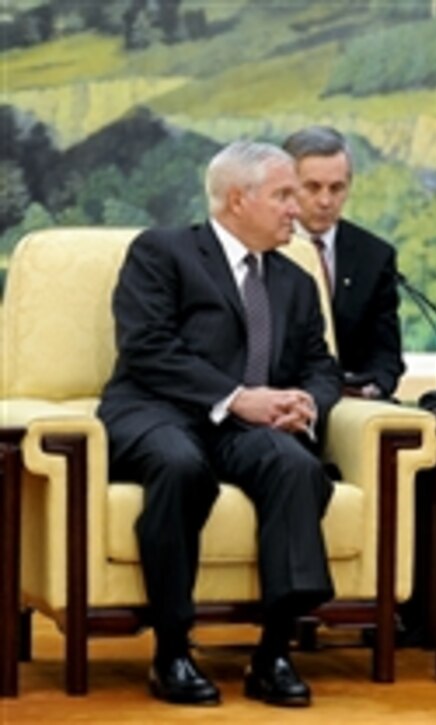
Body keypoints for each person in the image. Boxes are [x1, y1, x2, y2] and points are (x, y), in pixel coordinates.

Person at [97, 141, 342, 708]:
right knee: (181, 466)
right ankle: (172, 649)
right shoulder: (163, 253)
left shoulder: (295, 282)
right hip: (157, 411)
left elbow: (322, 366)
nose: (297, 209)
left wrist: (304, 401)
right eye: (284, 195)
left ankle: (274, 651)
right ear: (238, 199)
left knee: (296, 467)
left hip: (245, 428)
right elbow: (148, 348)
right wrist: (236, 398)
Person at [282, 126, 405, 399]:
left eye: (337, 188)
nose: (325, 201)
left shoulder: (374, 255)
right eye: (312, 187)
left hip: (351, 403)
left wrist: (374, 389)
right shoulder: (266, 246)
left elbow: (385, 353)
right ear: (287, 187)